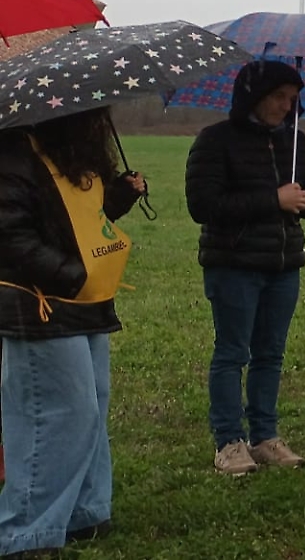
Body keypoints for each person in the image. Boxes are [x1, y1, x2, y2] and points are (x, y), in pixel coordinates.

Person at [0, 109, 143, 556]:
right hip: (40, 304)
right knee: (55, 413)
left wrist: (119, 196)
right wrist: (70, 274)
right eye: (92, 114)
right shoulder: (14, 155)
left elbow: (78, 221)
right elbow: (10, 235)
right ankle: (25, 529)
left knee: (91, 405)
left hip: (86, 301)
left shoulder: (72, 155)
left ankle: (86, 510)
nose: (99, 122)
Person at [185, 60, 305, 476]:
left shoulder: (296, 142)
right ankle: (229, 441)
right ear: (253, 96)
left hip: (284, 264)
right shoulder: (215, 140)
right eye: (279, 97)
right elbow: (203, 205)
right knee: (233, 353)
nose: (286, 106)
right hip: (234, 265)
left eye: (293, 99)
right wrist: (273, 199)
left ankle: (264, 437)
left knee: (270, 354)